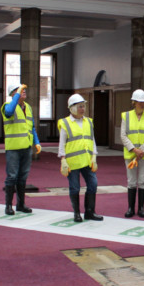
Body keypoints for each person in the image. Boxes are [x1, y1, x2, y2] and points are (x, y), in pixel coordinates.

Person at [59, 94, 103, 222]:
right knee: (75, 187)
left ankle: (89, 212)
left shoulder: (88, 121)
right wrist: (63, 159)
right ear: (72, 108)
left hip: (87, 160)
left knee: (93, 184)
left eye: (83, 106)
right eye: (80, 107)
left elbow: (92, 140)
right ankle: (77, 213)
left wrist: (94, 156)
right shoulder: (65, 123)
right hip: (72, 163)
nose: (82, 109)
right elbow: (62, 143)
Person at [1, 83, 41, 215]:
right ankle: (8, 205)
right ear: (13, 94)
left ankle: (20, 204)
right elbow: (8, 113)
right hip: (13, 147)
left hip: (26, 147)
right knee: (12, 176)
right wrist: (16, 96)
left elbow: (32, 127)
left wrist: (36, 142)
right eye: (20, 91)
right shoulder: (8, 106)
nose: (24, 92)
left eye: (23, 90)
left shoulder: (28, 107)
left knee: (23, 177)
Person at [120, 89, 144, 218]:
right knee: (131, 181)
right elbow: (123, 135)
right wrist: (134, 149)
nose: (142, 104)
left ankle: (141, 208)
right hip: (131, 154)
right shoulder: (126, 116)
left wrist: (142, 151)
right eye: (139, 102)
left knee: (142, 180)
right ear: (134, 102)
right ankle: (130, 208)